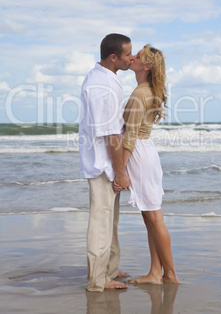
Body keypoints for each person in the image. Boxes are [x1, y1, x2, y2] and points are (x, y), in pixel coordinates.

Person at [114, 45, 179, 284]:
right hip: (145, 151)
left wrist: (121, 172)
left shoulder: (141, 93)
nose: (133, 57)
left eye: (138, 56)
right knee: (149, 217)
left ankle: (170, 275)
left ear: (147, 66)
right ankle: (155, 272)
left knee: (154, 217)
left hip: (139, 153)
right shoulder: (145, 89)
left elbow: (130, 135)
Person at [79, 33, 133, 292]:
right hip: (102, 164)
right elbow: (111, 135)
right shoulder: (102, 86)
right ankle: (97, 281)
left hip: (107, 164)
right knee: (101, 222)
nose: (131, 58)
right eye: (127, 55)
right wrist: (120, 172)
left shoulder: (106, 78)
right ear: (113, 58)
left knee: (111, 220)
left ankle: (109, 269)